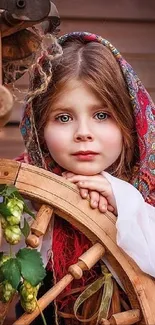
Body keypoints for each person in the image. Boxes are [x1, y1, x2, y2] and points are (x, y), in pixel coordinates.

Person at [16, 31, 154, 324]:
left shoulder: (148, 189)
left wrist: (123, 200)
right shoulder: (18, 189)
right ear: (39, 129)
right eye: (63, 117)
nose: (83, 132)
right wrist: (52, 195)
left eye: (102, 115)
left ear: (129, 121)